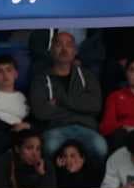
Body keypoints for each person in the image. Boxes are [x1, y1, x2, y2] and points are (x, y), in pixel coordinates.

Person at [29, 30, 107, 160]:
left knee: (100, 147)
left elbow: (95, 105)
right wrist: (79, 107)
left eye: (69, 45)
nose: (64, 49)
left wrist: (59, 102)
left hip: (85, 128)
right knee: (49, 146)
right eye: (59, 45)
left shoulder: (87, 76)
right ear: (51, 50)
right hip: (56, 129)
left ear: (75, 51)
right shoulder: (40, 79)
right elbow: (40, 112)